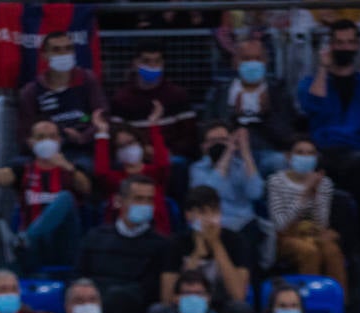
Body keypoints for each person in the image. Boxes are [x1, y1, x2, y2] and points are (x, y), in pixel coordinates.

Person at [296, 18, 360, 210]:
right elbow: (312, 107)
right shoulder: (311, 82)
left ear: (357, 46)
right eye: (339, 43)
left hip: (355, 150)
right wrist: (323, 69)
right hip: (323, 150)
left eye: (350, 42)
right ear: (331, 46)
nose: (345, 48)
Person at [0, 121, 90, 271]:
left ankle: (26, 239)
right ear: (31, 142)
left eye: (52, 136)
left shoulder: (73, 168)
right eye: (41, 137)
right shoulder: (23, 171)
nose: (47, 141)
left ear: (60, 140)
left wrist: (68, 167)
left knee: (65, 197)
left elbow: (86, 188)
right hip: (35, 249)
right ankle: (27, 241)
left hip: (64, 244)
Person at [74, 174, 170, 313]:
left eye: (149, 200)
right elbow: (78, 276)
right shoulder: (95, 237)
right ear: (119, 201)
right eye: (138, 199)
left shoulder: (161, 245)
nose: (145, 205)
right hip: (90, 306)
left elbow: (149, 291)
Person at [157, 184, 253, 313]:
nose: (209, 219)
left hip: (220, 305)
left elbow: (238, 294)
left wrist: (216, 245)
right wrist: (196, 257)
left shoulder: (236, 241)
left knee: (240, 310)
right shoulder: (175, 244)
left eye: (214, 211)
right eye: (202, 212)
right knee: (158, 311)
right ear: (189, 215)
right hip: (185, 305)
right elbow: (168, 298)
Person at [203, 36, 294, 174]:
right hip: (231, 155)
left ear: (266, 61)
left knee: (279, 162)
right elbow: (209, 129)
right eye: (246, 59)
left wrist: (266, 114)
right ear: (235, 62)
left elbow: (286, 135)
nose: (253, 64)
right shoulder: (219, 93)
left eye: (258, 58)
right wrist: (234, 116)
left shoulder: (278, 92)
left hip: (268, 152)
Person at [16, 30, 108, 169]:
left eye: (68, 49)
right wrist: (42, 144)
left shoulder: (87, 80)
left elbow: (102, 116)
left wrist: (82, 137)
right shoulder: (31, 91)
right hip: (45, 147)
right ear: (45, 56)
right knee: (17, 165)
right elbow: (26, 131)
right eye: (56, 50)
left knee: (85, 167)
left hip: (80, 147)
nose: (63, 54)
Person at [267, 136, 347, 288]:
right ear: (289, 157)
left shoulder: (324, 183)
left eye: (310, 153)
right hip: (287, 236)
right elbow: (281, 224)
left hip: (315, 232)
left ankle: (337, 303)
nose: (305, 157)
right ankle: (309, 299)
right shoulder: (276, 181)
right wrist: (305, 194)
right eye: (300, 152)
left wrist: (315, 193)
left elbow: (322, 223)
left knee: (332, 251)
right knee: (309, 251)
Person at [109, 39, 199, 161]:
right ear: (135, 63)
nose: (152, 66)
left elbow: (189, 136)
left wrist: (166, 152)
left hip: (171, 155)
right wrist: (142, 150)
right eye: (146, 61)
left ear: (163, 64)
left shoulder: (178, 95)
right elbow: (117, 135)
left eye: (157, 61)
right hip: (135, 155)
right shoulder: (122, 98)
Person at [92, 105, 173, 234]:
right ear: (116, 153)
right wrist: (102, 133)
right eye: (121, 146)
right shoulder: (116, 179)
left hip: (157, 235)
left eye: (131, 142)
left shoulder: (155, 173)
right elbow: (101, 172)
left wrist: (154, 125)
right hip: (120, 237)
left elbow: (163, 163)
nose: (128, 148)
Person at [188, 121, 266, 254]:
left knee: (251, 237)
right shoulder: (197, 169)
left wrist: (246, 153)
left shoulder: (241, 165)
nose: (219, 144)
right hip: (210, 223)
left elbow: (256, 193)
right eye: (213, 141)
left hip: (243, 223)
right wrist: (227, 154)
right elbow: (208, 194)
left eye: (224, 140)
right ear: (204, 146)